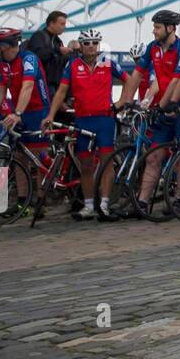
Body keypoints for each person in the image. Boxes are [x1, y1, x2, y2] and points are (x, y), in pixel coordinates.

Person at [115, 10, 180, 216]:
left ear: (170, 28)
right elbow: (136, 75)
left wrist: (162, 106)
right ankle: (142, 203)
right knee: (154, 157)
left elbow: (177, 81)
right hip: (163, 106)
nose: (153, 31)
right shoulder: (153, 48)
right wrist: (125, 100)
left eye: (157, 27)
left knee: (179, 156)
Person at [44, 28, 126, 221]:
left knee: (106, 163)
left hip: (104, 119)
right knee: (86, 165)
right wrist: (50, 114)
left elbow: (129, 80)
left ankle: (104, 205)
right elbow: (62, 91)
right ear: (80, 46)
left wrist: (122, 102)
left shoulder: (108, 64)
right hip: (83, 120)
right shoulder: (72, 66)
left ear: (98, 45)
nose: (91, 46)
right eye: (87, 43)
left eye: (94, 43)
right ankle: (89, 205)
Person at [0, 28, 52, 163]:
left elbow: (27, 86)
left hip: (38, 111)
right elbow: (1, 90)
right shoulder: (3, 63)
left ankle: (46, 183)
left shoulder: (28, 58)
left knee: (39, 158)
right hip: (20, 111)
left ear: (4, 47)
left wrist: (17, 113)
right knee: (18, 157)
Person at [24, 11, 78, 97]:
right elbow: (37, 56)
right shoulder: (39, 36)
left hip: (54, 85)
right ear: (51, 23)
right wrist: (58, 50)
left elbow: (60, 63)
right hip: (40, 83)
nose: (64, 27)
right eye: (62, 24)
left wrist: (71, 55)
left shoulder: (58, 41)